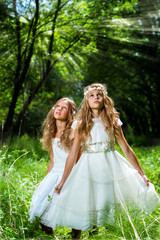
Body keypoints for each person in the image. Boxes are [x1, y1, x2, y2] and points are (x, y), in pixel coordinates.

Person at [40, 83, 160, 233]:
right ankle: (77, 234)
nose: (96, 97)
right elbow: (73, 153)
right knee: (87, 200)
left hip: (109, 165)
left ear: (105, 98)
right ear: (87, 101)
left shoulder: (112, 121)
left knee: (104, 200)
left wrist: (141, 173)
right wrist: (63, 180)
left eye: (99, 95)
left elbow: (126, 149)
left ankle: (99, 233)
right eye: (91, 95)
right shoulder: (81, 123)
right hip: (88, 165)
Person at [29, 97, 81, 236]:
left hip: (71, 174)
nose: (59, 109)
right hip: (55, 174)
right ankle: (49, 236)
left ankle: (76, 236)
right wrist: (45, 181)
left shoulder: (73, 132)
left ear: (70, 114)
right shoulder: (52, 133)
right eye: (57, 106)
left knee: (73, 210)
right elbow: (52, 162)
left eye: (64, 108)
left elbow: (79, 158)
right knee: (42, 206)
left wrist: (72, 179)